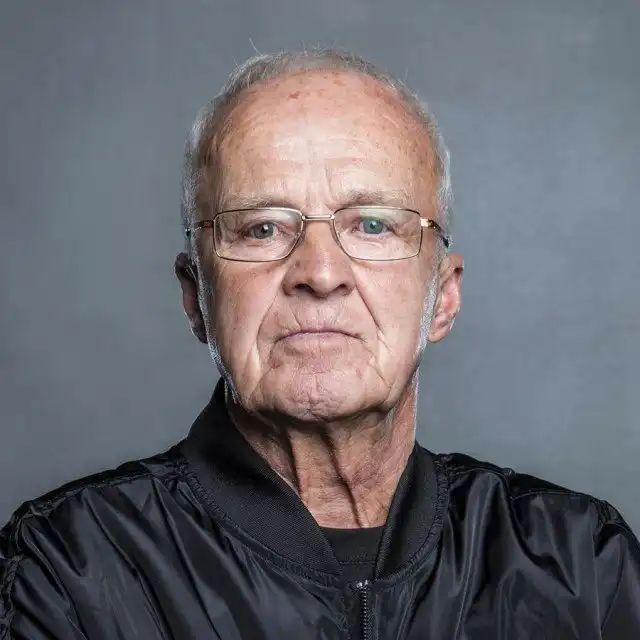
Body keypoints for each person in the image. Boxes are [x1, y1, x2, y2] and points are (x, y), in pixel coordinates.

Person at [1, 48, 639, 640]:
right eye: (262, 228)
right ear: (196, 295)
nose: (320, 272)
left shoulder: (582, 565)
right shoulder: (66, 571)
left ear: (442, 297)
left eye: (372, 224)